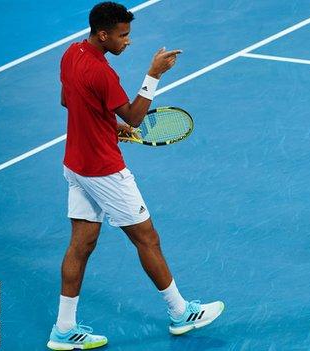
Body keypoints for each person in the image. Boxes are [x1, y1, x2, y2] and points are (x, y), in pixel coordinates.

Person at [48, 2, 224, 349]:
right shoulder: (102, 72)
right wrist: (154, 74)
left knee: (81, 245)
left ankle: (63, 330)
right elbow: (136, 118)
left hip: (75, 164)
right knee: (147, 238)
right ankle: (180, 313)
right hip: (104, 171)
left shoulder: (70, 54)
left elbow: (70, 101)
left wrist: (108, 127)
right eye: (123, 35)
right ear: (103, 34)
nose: (127, 41)